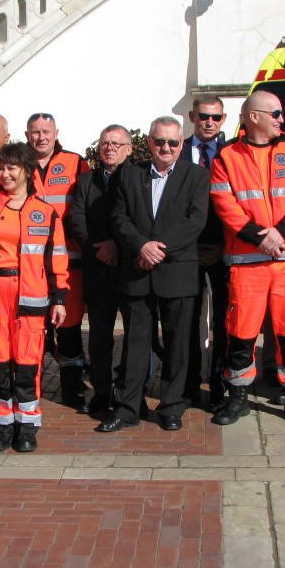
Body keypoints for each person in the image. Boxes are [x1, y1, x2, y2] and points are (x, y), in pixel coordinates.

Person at [209, 91, 285, 426]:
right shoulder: (227, 157)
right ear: (253, 116)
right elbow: (226, 206)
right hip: (247, 262)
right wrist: (261, 237)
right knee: (241, 333)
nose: (282, 119)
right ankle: (238, 396)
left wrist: (278, 234)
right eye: (277, 113)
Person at [0, 142, 69, 452]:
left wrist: (59, 298)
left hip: (30, 298)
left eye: (11, 167)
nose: (4, 173)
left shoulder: (45, 213)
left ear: (27, 172)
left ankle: (27, 427)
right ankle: (2, 426)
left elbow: (56, 258)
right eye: (1, 167)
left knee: (28, 365)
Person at [97, 116, 208, 433]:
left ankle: (172, 406)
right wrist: (140, 247)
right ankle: (128, 407)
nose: (166, 148)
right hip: (137, 270)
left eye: (173, 142)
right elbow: (119, 217)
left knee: (178, 344)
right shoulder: (130, 175)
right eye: (160, 141)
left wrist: (158, 250)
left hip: (177, 271)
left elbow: (195, 221)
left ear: (181, 144)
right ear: (149, 142)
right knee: (135, 344)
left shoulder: (196, 176)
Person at [26, 113, 91, 409]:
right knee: (34, 327)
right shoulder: (20, 164)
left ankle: (72, 386)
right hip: (32, 263)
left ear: (56, 133)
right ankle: (30, 386)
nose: (41, 137)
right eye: (35, 132)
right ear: (27, 134)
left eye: (46, 131)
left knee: (69, 326)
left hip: (70, 264)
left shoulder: (76, 163)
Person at [67, 125, 133, 415]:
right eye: (105, 143)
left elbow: (141, 219)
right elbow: (76, 220)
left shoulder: (139, 177)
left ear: (129, 149)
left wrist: (118, 247)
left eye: (117, 144)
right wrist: (101, 249)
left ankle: (131, 393)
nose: (110, 148)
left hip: (130, 267)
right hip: (98, 268)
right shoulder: (84, 181)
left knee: (134, 335)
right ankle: (101, 391)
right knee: (99, 336)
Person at [181, 95, 230, 412]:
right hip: (186, 250)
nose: (209, 122)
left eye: (215, 117)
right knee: (187, 321)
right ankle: (188, 384)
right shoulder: (176, 150)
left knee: (225, 321)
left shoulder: (234, 153)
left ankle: (220, 383)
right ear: (192, 117)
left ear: (223, 119)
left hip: (226, 249)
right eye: (203, 116)